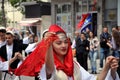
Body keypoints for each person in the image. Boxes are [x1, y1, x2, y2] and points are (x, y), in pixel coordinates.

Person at [15, 25, 119, 80]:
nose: (64, 45)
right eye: (58, 43)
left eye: (66, 42)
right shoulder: (47, 65)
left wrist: (108, 67)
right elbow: (50, 70)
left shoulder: (74, 64)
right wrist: (48, 45)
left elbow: (94, 79)